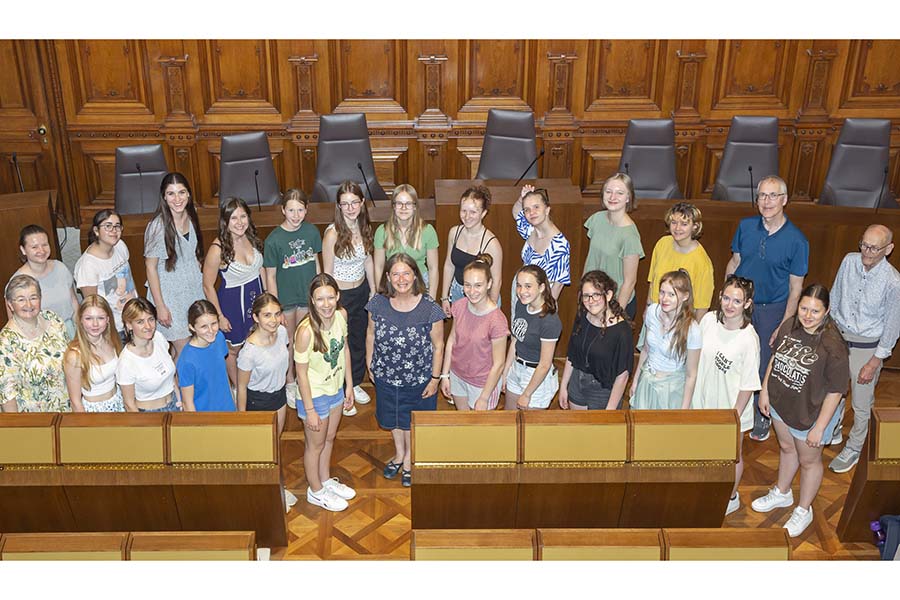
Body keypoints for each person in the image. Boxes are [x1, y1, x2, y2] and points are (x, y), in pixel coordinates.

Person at [752, 284, 850, 538]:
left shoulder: (833, 345)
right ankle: (782, 492)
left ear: (826, 311)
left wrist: (819, 427)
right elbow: (775, 357)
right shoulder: (789, 326)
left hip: (811, 414)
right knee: (786, 448)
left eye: (815, 311)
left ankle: (803, 510)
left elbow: (836, 391)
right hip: (781, 404)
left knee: (809, 461)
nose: (807, 315)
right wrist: (765, 390)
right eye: (804, 308)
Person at [726, 175, 809, 442]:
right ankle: (731, 408)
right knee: (735, 357)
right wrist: (727, 297)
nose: (767, 201)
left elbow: (796, 288)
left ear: (784, 200)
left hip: (773, 309)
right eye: (762, 195)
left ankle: (762, 415)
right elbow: (735, 261)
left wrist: (785, 323)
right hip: (742, 304)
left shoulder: (798, 240)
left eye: (773, 196)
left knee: (763, 364)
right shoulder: (745, 226)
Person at [366, 253, 444, 487]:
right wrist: (371, 363)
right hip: (386, 376)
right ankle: (399, 454)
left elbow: (439, 346)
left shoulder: (430, 307)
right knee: (393, 419)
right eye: (396, 274)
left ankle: (410, 458)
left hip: (419, 379)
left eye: (406, 273)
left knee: (410, 421)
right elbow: (370, 333)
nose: (401, 279)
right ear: (388, 277)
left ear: (415, 275)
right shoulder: (377, 303)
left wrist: (435, 378)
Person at [828, 225, 900, 473]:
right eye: (864, 245)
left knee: (861, 402)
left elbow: (892, 326)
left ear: (888, 249)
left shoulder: (893, 282)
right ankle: (833, 429)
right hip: (838, 337)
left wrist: (874, 362)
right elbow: (835, 295)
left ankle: (855, 447)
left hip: (865, 348)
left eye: (874, 248)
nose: (866, 252)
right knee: (833, 390)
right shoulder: (849, 261)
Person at [690, 275, 761, 515]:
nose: (730, 305)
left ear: (747, 304)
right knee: (701, 450)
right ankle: (704, 487)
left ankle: (731, 496)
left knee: (732, 456)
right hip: (702, 403)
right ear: (720, 297)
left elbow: (749, 384)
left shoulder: (749, 339)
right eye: (727, 298)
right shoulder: (709, 320)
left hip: (730, 410)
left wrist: (734, 417)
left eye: (737, 301)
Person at [294, 274, 356, 511]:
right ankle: (315, 490)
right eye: (320, 299)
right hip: (315, 395)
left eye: (331, 297)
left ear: (338, 296)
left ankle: (325, 479)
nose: (326, 304)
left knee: (329, 438)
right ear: (312, 300)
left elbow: (345, 350)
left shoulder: (341, 316)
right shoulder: (306, 331)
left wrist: (349, 384)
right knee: (315, 445)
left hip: (335, 389)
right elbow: (301, 374)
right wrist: (309, 410)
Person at [263, 188, 321, 408]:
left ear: (306, 210)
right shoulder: (273, 240)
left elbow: (316, 263)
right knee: (287, 342)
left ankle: (305, 378)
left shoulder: (312, 232)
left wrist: (318, 292)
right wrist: (275, 308)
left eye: (300, 210)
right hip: (286, 301)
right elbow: (270, 275)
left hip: (307, 298)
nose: (296, 215)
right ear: (283, 210)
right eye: (291, 210)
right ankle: (289, 382)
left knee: (305, 341)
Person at [322, 181, 375, 415]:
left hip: (361, 291)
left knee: (358, 339)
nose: (351, 208)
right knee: (340, 342)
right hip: (341, 296)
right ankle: (344, 389)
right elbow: (327, 271)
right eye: (345, 204)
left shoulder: (364, 228)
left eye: (355, 202)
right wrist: (331, 302)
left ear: (362, 203)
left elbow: (368, 260)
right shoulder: (332, 233)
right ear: (338, 206)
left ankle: (355, 382)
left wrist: (373, 288)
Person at [202, 197, 265, 386]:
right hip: (232, 305)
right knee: (234, 349)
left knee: (256, 343)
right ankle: (239, 388)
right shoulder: (218, 249)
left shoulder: (251, 237)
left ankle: (254, 384)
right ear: (225, 222)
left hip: (257, 299)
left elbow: (259, 268)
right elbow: (207, 285)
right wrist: (219, 316)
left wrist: (268, 298)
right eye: (234, 218)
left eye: (243, 216)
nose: (240, 222)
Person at [144, 172, 205, 362]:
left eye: (181, 192)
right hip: (170, 298)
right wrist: (160, 306)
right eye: (171, 194)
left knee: (188, 347)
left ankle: (176, 386)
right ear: (164, 196)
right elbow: (150, 267)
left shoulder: (192, 217)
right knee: (185, 350)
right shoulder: (158, 227)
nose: (177, 199)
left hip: (192, 293)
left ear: (188, 195)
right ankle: (183, 391)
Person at [440, 254, 508, 411]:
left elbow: (499, 364)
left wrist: (484, 397)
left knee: (481, 432)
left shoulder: (497, 320)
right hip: (458, 376)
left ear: (489, 284)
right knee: (464, 424)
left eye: (478, 285)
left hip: (483, 384)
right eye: (467, 285)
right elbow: (452, 341)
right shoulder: (459, 305)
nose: (472, 291)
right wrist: (445, 375)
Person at [559, 270, 633, 411]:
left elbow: (622, 376)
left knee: (598, 433)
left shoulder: (622, 331)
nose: (590, 301)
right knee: (578, 429)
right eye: (586, 296)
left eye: (596, 295)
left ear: (609, 295)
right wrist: (564, 386)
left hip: (603, 391)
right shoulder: (582, 316)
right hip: (577, 383)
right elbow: (572, 353)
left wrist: (610, 409)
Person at [630, 270, 701, 410]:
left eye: (671, 294)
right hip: (647, 381)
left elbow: (691, 374)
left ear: (685, 296)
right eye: (662, 292)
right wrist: (635, 381)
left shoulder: (692, 329)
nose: (664, 299)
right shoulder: (652, 312)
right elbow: (645, 350)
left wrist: (684, 409)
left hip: (671, 390)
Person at [0, 274, 70, 412]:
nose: (29, 305)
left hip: (68, 408)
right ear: (10, 304)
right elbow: (7, 393)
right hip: (35, 420)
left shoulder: (53, 319)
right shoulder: (6, 342)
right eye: (21, 299)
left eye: (33, 297)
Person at [583, 173, 644, 319]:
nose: (612, 197)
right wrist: (583, 293)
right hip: (592, 299)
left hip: (615, 304)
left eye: (619, 193)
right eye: (608, 192)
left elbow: (629, 282)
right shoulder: (596, 219)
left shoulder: (630, 235)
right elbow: (591, 259)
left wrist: (615, 315)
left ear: (628, 198)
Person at [502, 265, 562, 411]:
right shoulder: (521, 306)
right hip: (516, 368)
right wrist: (505, 372)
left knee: (530, 429)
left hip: (536, 377)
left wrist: (527, 393)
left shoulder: (550, 321)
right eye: (519, 286)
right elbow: (515, 341)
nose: (522, 291)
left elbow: (545, 364)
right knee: (509, 421)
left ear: (541, 287)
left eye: (528, 286)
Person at [73, 209, 138, 338]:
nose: (114, 230)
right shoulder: (87, 265)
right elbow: (92, 304)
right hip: (113, 328)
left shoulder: (120, 246)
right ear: (96, 231)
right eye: (108, 226)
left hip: (133, 317)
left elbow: (128, 278)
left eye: (117, 226)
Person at [440, 185, 502, 314]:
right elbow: (449, 266)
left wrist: (490, 311)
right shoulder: (454, 233)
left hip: (482, 297)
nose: (467, 216)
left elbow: (496, 281)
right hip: (457, 291)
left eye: (473, 212)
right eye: (463, 211)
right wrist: (445, 297)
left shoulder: (492, 244)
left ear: (483, 213)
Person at [646, 202, 714, 320]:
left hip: (681, 322)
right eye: (674, 222)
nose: (677, 228)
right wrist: (647, 310)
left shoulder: (702, 263)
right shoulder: (662, 243)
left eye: (684, 224)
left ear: (695, 226)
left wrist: (691, 333)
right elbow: (652, 283)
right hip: (656, 315)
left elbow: (702, 307)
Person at [374, 184, 440, 299]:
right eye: (399, 203)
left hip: (420, 284)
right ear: (393, 206)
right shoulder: (382, 231)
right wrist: (380, 293)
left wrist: (432, 298)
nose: (403, 208)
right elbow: (378, 266)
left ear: (415, 206)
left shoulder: (428, 231)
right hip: (393, 284)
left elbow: (433, 268)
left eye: (408, 204)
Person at [13, 224, 79, 339]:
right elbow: (15, 323)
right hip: (42, 338)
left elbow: (74, 302)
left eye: (45, 245)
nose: (41, 250)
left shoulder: (60, 267)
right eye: (34, 247)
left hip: (70, 331)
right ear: (23, 250)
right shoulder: (17, 282)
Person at [116, 298, 180, 412]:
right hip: (149, 414)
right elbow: (129, 404)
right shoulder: (126, 362)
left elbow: (171, 377)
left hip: (174, 404)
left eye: (150, 319)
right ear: (129, 325)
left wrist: (180, 402)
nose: (148, 326)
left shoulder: (159, 338)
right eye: (140, 322)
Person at [64, 295, 124, 413]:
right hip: (94, 411)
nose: (95, 324)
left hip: (119, 403)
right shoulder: (74, 355)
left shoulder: (113, 340)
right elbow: (75, 402)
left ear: (108, 319)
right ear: (80, 319)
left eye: (100, 318)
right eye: (89, 318)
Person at [511, 185, 570, 299]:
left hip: (541, 299)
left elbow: (558, 285)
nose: (531, 212)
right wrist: (521, 198)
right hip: (521, 291)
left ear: (547, 209)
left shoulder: (559, 244)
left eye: (536, 207)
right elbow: (516, 212)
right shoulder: (531, 229)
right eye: (527, 210)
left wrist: (545, 311)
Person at [177, 300, 234, 412]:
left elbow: (223, 374)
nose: (211, 330)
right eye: (204, 326)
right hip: (205, 417)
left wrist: (233, 402)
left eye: (214, 324)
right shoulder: (187, 361)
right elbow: (187, 403)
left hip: (227, 409)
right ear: (192, 327)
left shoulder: (219, 338)